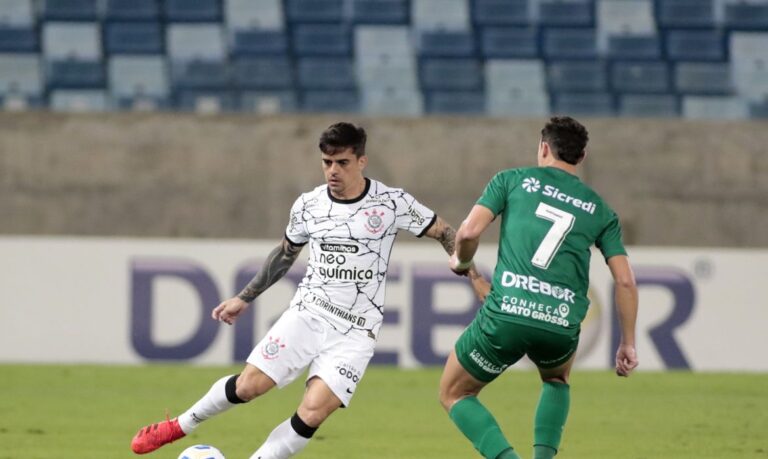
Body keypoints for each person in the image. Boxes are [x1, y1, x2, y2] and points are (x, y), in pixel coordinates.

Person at [130, 122, 476, 458]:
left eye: (342, 163)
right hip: (309, 313)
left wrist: (469, 272)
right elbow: (285, 254)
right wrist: (243, 298)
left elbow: (446, 232)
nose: (333, 171)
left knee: (312, 412)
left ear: (361, 161)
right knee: (249, 386)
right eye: (327, 163)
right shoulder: (309, 205)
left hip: (356, 331)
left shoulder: (391, 203)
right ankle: (179, 426)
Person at [440, 116, 639, 459]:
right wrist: (628, 343)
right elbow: (624, 280)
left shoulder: (511, 180)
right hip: (560, 323)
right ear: (582, 156)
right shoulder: (602, 211)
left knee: (454, 394)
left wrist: (460, 263)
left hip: (507, 315)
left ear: (544, 148)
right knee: (556, 380)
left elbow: (469, 233)